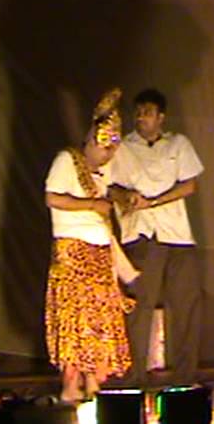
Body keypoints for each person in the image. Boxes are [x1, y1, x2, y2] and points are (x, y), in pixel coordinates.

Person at [44, 88, 135, 403]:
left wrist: (120, 198)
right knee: (75, 319)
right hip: (73, 252)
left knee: (99, 320)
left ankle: (94, 380)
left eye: (112, 150)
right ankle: (71, 385)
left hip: (99, 253)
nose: (108, 155)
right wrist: (91, 205)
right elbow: (52, 198)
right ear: (92, 141)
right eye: (104, 148)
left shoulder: (101, 172)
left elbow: (107, 193)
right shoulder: (67, 160)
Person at [111, 88, 203, 386]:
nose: (141, 118)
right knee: (139, 307)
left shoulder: (178, 144)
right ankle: (134, 378)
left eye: (148, 113)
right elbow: (109, 186)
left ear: (161, 117)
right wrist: (127, 197)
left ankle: (184, 379)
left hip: (176, 235)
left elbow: (189, 185)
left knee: (185, 306)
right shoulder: (123, 147)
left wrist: (154, 201)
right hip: (141, 234)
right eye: (138, 113)